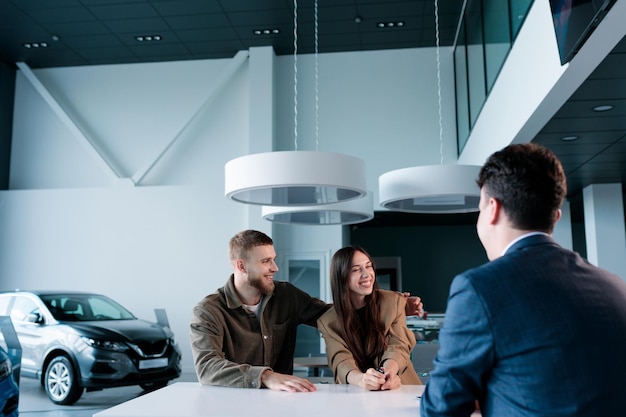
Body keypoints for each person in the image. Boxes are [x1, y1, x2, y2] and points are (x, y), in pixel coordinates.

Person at [421, 143, 626, 417]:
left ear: (492, 209)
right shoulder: (614, 286)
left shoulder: (478, 288)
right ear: (555, 216)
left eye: (480, 209)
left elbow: (440, 408)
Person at [190, 229, 424, 392]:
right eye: (265, 262)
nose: (275, 267)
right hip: (231, 401)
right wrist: (266, 376)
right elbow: (207, 367)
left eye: (274, 259)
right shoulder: (208, 311)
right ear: (241, 265)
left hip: (283, 400)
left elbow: (334, 313)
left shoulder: (286, 296)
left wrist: (397, 305)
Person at [317, 246, 421, 390]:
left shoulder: (393, 301)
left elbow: (398, 345)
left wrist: (386, 374)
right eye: (356, 269)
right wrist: (362, 380)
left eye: (368, 266)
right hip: (356, 392)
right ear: (341, 277)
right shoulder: (328, 321)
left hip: (400, 386)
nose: (367, 274)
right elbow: (340, 360)